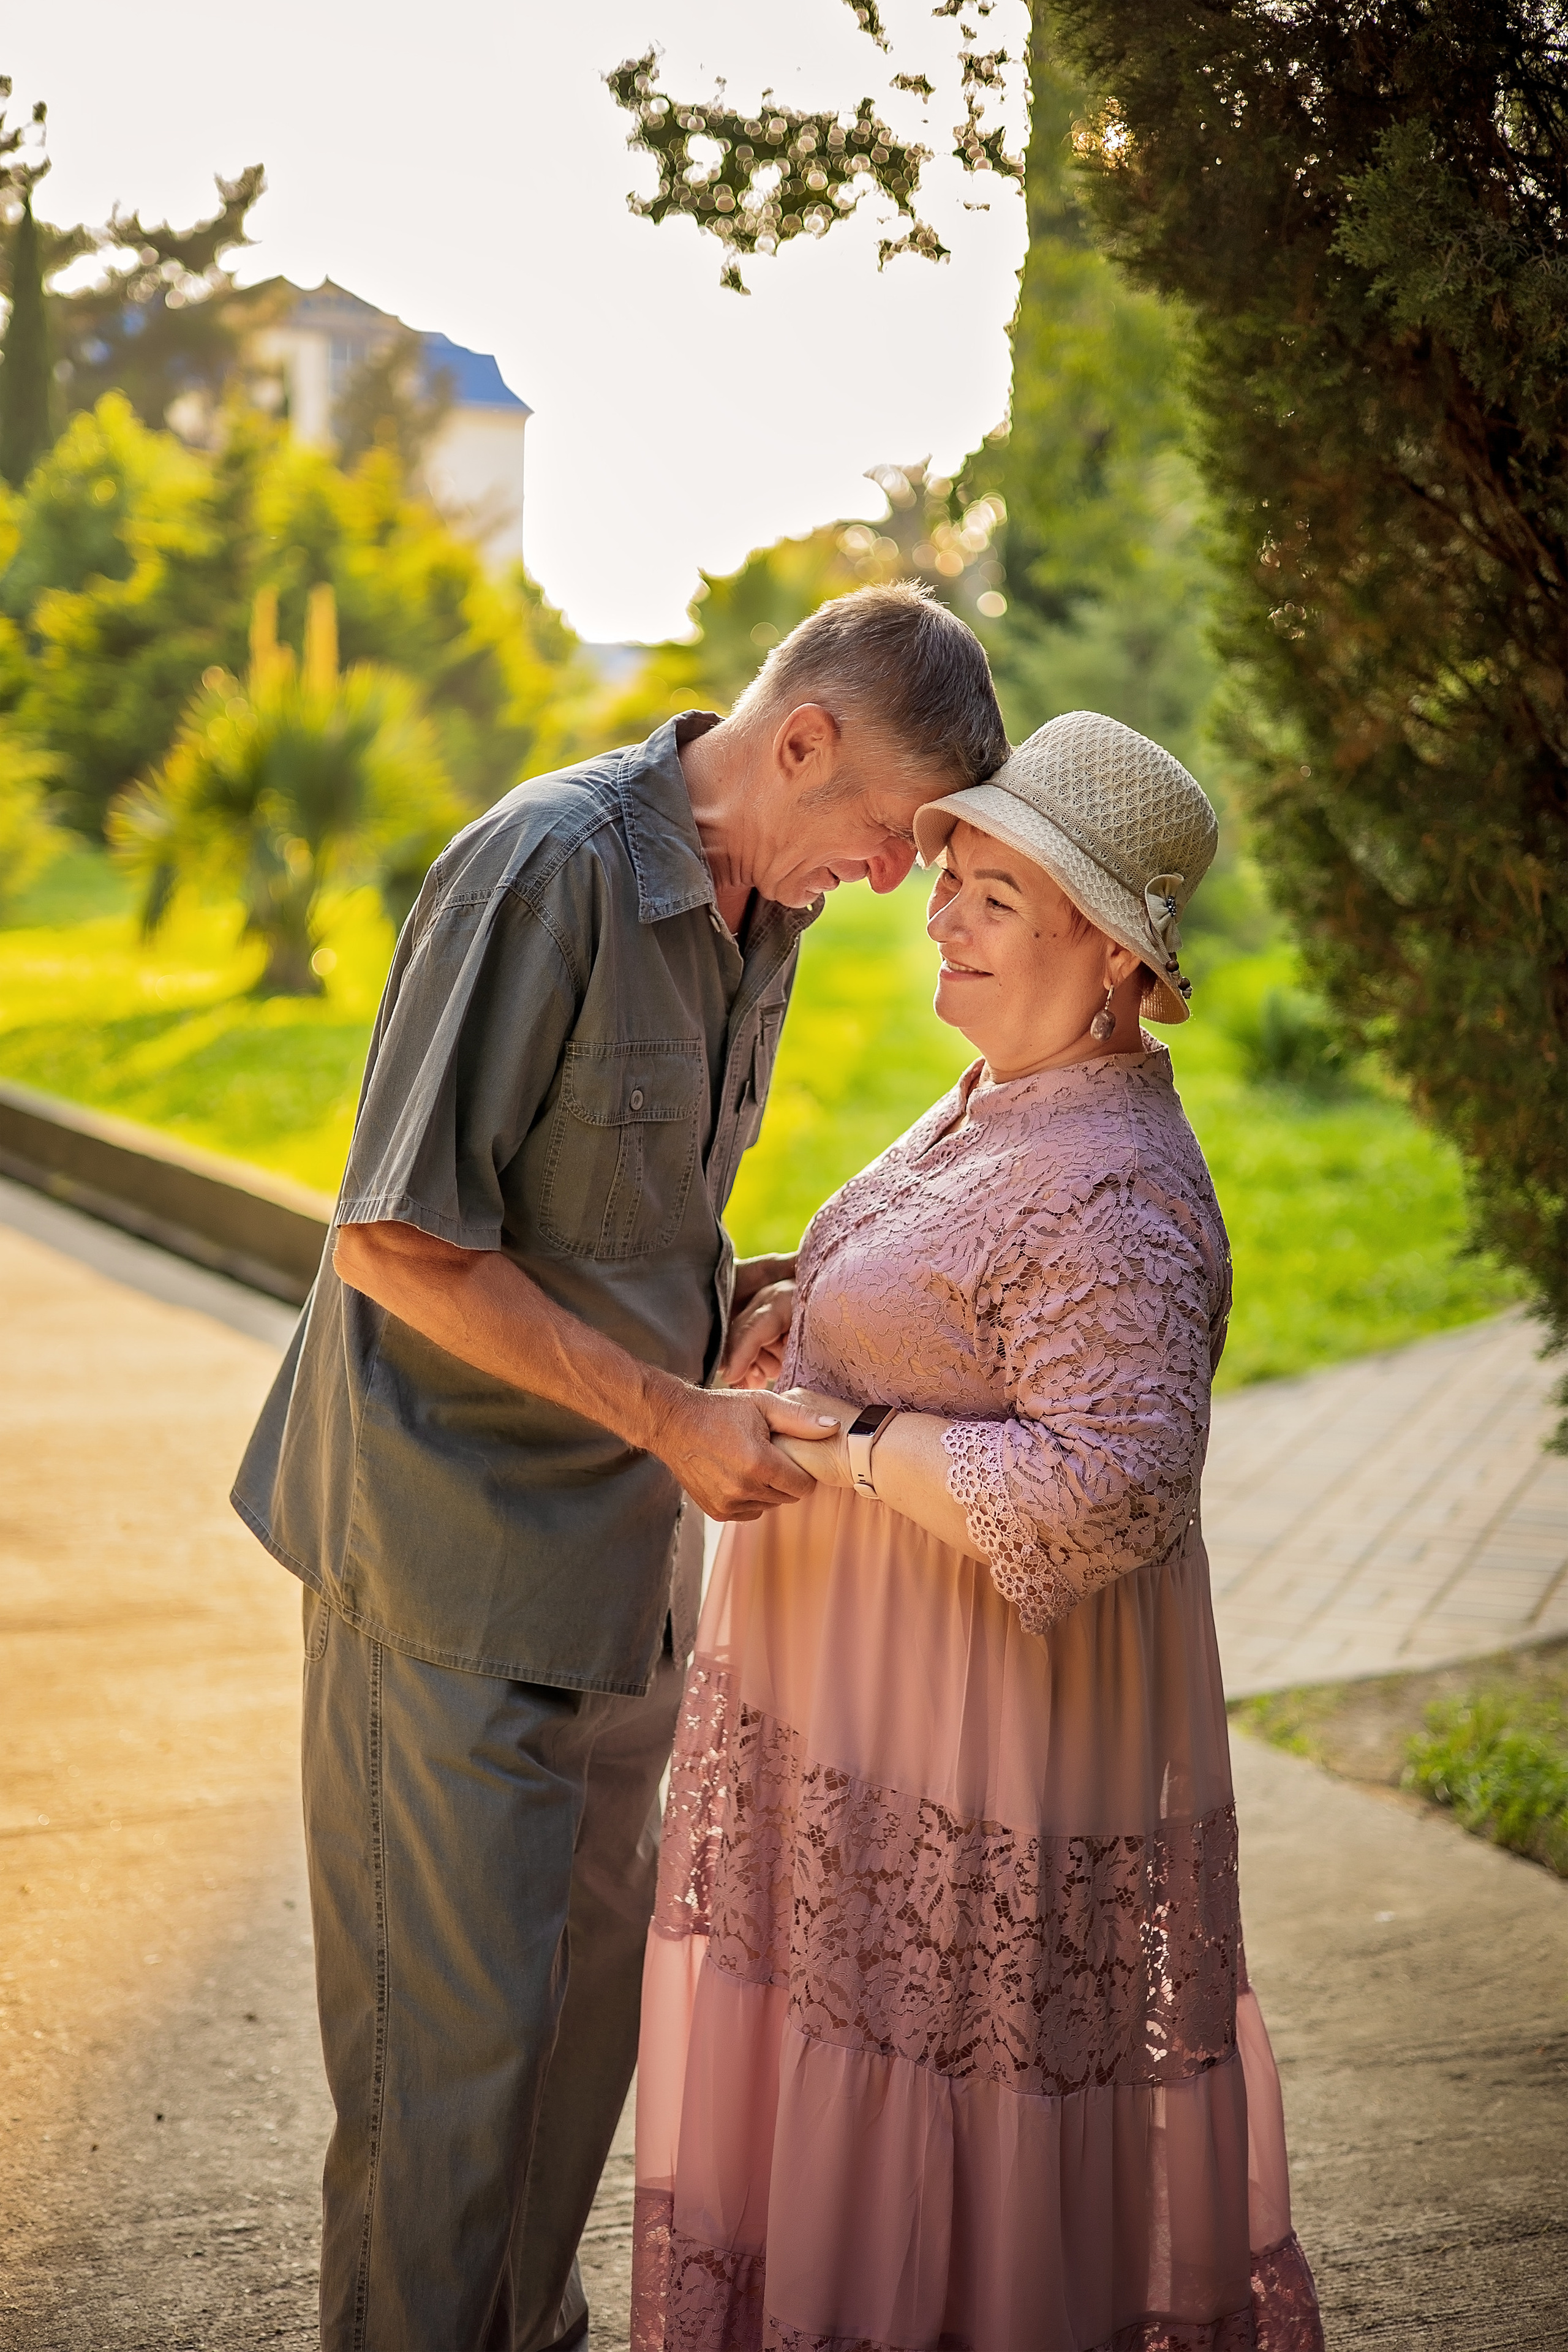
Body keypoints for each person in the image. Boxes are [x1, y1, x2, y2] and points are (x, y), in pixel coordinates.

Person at [230, 584, 1011, 2352]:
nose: (895, 876)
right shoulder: (548, 868)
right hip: (442, 1563)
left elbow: (601, 1214)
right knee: (450, 2093)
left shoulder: (767, 909)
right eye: (892, 830)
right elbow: (396, 1240)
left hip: (619, 1580)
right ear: (800, 741)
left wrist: (732, 1308)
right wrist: (669, 1414)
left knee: (573, 2062)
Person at [632, 710, 1326, 2351]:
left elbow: (1112, 1487)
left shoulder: (1119, 1188)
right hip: (872, 1720)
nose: (939, 912)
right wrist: (797, 1321)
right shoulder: (1006, 1099)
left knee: (949, 2160)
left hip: (977, 1739)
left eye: (997, 896)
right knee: (846, 2128)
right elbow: (944, 1313)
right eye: (952, 875)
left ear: (1114, 955)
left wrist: (861, 1445)